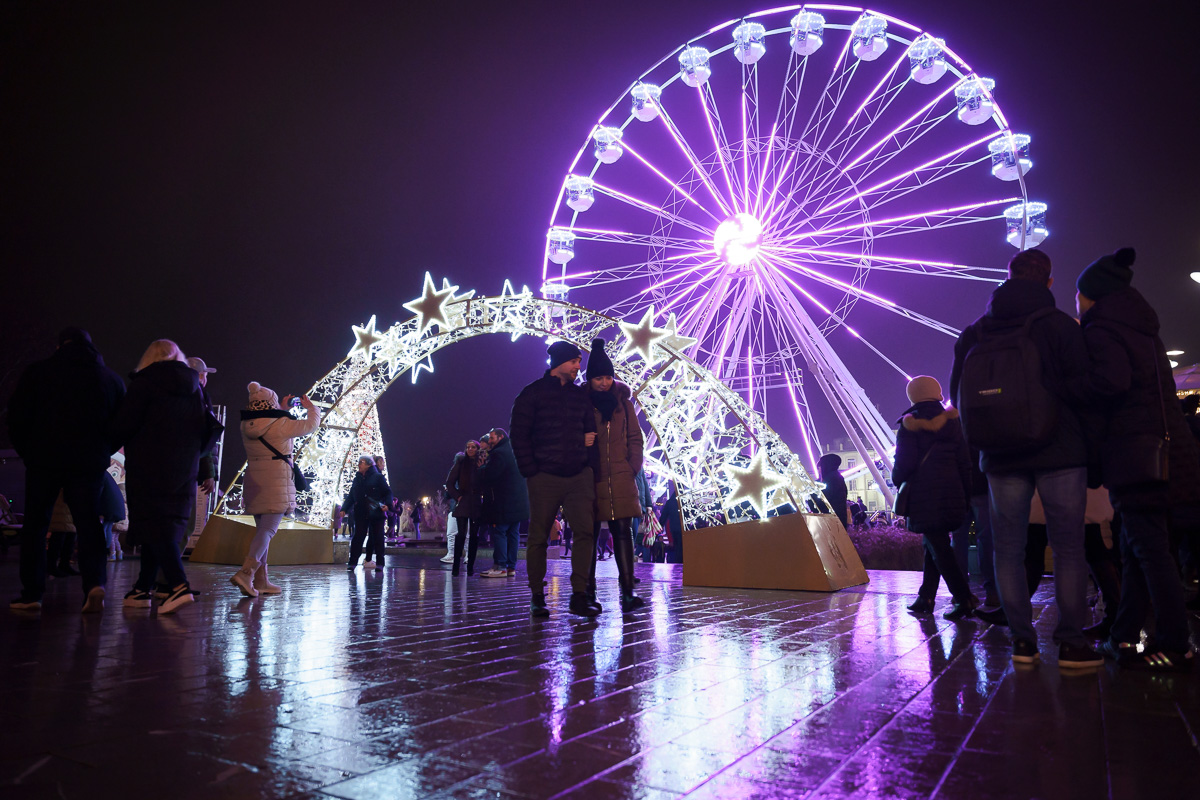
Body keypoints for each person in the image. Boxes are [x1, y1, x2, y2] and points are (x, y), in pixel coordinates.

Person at [949, 248, 1101, 668]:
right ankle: (1071, 643)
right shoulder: (1060, 327)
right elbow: (1085, 390)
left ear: (1008, 277)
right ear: (1049, 282)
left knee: (1008, 550)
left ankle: (1022, 643)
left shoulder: (976, 332)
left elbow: (959, 394)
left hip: (1001, 455)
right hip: (1061, 450)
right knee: (1069, 548)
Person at [1076, 248, 1198, 671]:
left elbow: (1109, 383)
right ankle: (1123, 636)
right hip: (1167, 451)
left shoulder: (1102, 330)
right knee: (1135, 546)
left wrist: (1073, 384)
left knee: (1150, 552)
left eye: (1079, 294)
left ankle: (1174, 642)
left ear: (1092, 295)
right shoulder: (1144, 331)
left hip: (1136, 454)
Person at [8, 328, 125, 612]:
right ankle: (95, 583)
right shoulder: (109, 379)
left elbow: (17, 417)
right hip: (88, 462)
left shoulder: (37, 373)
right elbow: (121, 424)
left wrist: (29, 452)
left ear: (60, 346)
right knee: (88, 523)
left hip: (44, 459)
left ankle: (32, 594)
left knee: (36, 525)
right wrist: (101, 451)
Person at [111, 339, 209, 614]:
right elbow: (206, 429)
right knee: (162, 525)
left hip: (149, 465)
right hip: (184, 467)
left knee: (154, 523)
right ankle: (143, 587)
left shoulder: (144, 384)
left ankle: (178, 585)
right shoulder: (195, 390)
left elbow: (124, 424)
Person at [510, 340, 598, 617]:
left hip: (578, 476)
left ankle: (579, 594)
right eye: (574, 362)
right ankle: (537, 595)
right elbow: (519, 435)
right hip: (544, 477)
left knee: (585, 533)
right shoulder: (531, 395)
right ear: (559, 362)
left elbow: (590, 433)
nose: (577, 367)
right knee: (538, 537)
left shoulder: (580, 396)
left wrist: (588, 465)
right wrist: (531, 471)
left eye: (579, 362)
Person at [893, 376, 976, 620]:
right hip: (953, 492)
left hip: (924, 494)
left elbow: (904, 463)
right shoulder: (954, 422)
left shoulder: (909, 424)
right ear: (937, 393)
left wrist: (897, 479)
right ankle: (926, 596)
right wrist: (965, 493)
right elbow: (965, 462)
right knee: (933, 541)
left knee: (939, 546)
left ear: (913, 396)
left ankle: (963, 598)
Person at [230, 382, 321, 597]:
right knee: (269, 530)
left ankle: (261, 581)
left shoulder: (246, 425)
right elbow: (310, 425)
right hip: (276, 482)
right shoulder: (281, 424)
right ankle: (246, 573)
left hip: (254, 480)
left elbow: (269, 423)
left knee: (263, 530)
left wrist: (282, 410)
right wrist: (311, 408)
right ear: (270, 403)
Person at [583, 338, 645, 611]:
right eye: (599, 378)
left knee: (623, 531)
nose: (605, 383)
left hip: (620, 475)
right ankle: (587, 591)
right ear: (590, 379)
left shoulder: (624, 404)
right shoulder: (581, 404)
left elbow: (635, 437)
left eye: (608, 377)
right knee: (589, 533)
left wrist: (632, 466)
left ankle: (628, 591)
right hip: (591, 476)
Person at [478, 427, 529, 578]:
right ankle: (510, 567)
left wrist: (481, 468)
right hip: (518, 504)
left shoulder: (498, 454)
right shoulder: (514, 450)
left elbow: (491, 475)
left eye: (492, 438)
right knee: (513, 534)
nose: (490, 441)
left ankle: (500, 566)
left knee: (499, 532)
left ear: (500, 437)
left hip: (503, 503)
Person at [951, 449, 998, 607]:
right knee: (986, 539)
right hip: (982, 485)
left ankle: (960, 591)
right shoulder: (983, 426)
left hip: (958, 489)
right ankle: (992, 591)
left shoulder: (952, 425)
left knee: (958, 540)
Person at [344, 455, 392, 569]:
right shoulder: (357, 479)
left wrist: (388, 505)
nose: (359, 464)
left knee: (378, 537)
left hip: (376, 512)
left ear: (369, 464)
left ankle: (380, 563)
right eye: (359, 462)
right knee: (358, 538)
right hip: (361, 512)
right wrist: (344, 509)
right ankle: (352, 563)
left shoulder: (378, 477)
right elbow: (351, 496)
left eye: (362, 462)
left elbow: (387, 492)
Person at [445, 440, 483, 577]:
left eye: (473, 447)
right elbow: (449, 483)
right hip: (464, 500)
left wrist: (482, 468)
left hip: (476, 502)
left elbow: (486, 481)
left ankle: (470, 567)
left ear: (478, 449)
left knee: (474, 535)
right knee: (461, 534)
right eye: (468, 447)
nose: (470, 449)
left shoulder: (481, 463)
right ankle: (456, 566)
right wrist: (457, 496)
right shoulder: (461, 463)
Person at [818, 454, 849, 529]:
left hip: (831, 519)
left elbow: (824, 499)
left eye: (820, 467)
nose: (819, 470)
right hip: (838, 518)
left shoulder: (831, 479)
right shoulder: (838, 477)